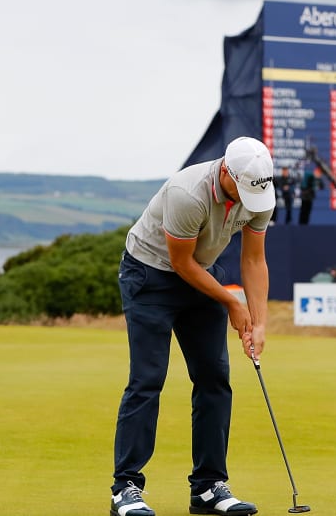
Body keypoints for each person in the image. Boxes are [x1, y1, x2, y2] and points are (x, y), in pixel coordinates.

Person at [110, 136, 274, 516]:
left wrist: (260, 322)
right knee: (148, 379)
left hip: (202, 273)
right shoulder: (189, 192)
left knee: (214, 378)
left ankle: (208, 487)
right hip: (150, 274)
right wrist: (232, 301)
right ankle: (126, 488)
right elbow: (181, 264)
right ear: (225, 172)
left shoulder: (260, 189)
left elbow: (253, 260)